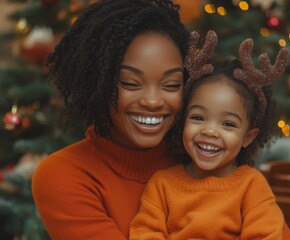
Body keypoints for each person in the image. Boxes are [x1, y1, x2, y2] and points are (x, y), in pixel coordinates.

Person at [31, 0, 191, 239]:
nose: (153, 101)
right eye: (130, 83)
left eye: (171, 85)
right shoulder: (63, 175)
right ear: (99, 83)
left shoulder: (198, 160)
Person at [129, 34, 290, 239]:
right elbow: (145, 234)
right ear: (183, 120)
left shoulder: (252, 186)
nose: (210, 131)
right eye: (198, 117)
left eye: (228, 124)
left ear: (248, 137)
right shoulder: (161, 185)